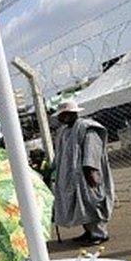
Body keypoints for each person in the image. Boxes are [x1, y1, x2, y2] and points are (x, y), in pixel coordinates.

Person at [51, 99, 114, 246]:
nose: (61, 118)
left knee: (92, 202)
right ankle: (88, 231)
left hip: (85, 173)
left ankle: (99, 233)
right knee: (79, 205)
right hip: (70, 175)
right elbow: (60, 153)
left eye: (64, 115)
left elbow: (92, 151)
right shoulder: (64, 131)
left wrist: (90, 169)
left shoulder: (87, 128)